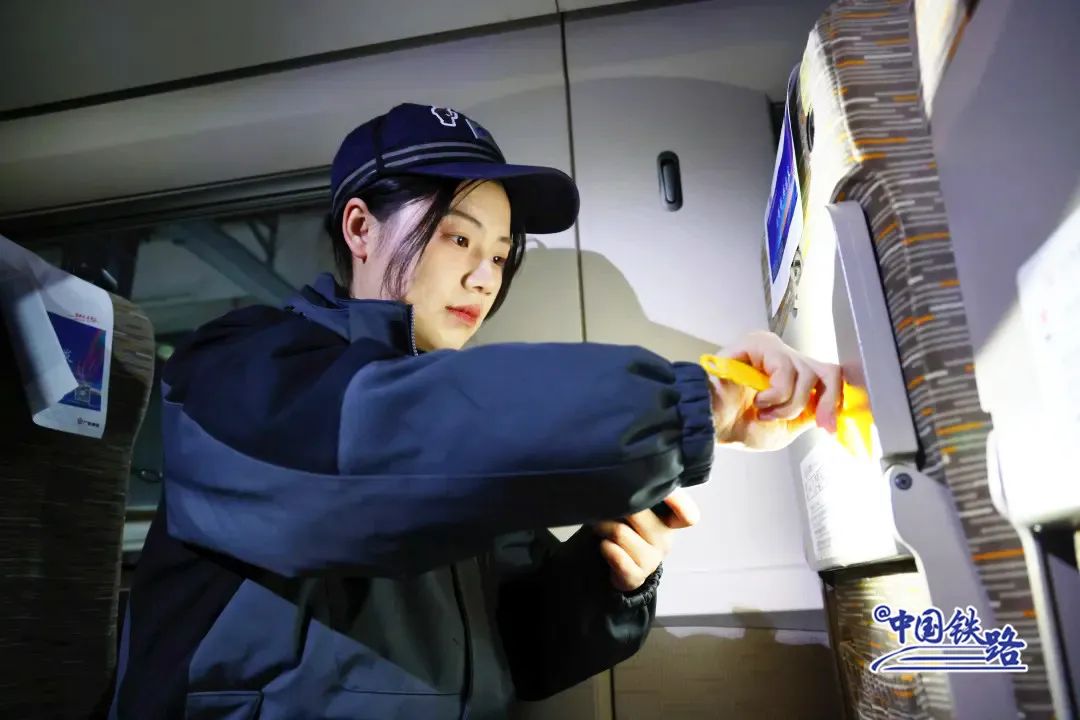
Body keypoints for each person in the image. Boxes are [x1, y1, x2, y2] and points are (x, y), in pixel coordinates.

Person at [110, 103, 843, 720]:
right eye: (459, 238)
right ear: (360, 228)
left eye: (499, 254)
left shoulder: (463, 435)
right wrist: (698, 402)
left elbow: (518, 654)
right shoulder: (236, 365)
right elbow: (380, 444)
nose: (483, 277)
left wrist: (609, 578)